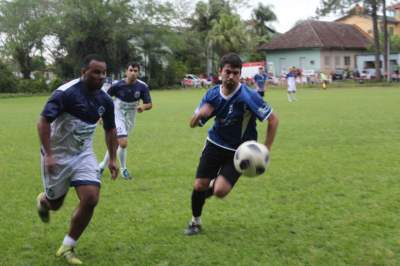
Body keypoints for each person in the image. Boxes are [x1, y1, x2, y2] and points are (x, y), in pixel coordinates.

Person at [36, 54, 119, 264]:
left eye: (104, 73)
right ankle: (44, 201)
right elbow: (43, 123)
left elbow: (110, 130)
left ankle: (68, 246)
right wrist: (49, 154)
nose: (101, 77)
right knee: (55, 204)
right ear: (84, 72)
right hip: (57, 155)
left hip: (83, 154)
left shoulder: (105, 100)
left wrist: (112, 159)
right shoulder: (66, 93)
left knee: (91, 198)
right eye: (96, 72)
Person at [184, 53, 279, 235]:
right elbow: (192, 124)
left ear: (240, 74)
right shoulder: (212, 95)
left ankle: (205, 193)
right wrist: (199, 115)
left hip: (239, 153)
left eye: (236, 73)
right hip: (214, 145)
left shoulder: (248, 96)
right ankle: (195, 221)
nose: (231, 76)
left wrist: (265, 149)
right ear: (220, 72)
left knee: (220, 191)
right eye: (228, 72)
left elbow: (273, 120)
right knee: (199, 186)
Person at [98, 62, 152, 179]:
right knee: (123, 142)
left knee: (117, 143)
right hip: (117, 114)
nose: (133, 73)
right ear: (126, 72)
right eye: (131, 70)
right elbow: (105, 99)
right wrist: (102, 116)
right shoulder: (117, 85)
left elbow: (149, 104)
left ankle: (101, 166)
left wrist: (142, 107)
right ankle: (123, 170)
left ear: (138, 73)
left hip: (131, 116)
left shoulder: (142, 87)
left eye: (135, 71)